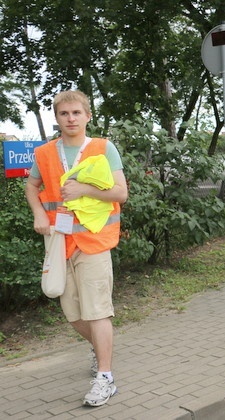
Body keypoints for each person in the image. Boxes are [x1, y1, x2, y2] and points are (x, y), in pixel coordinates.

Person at [25, 90, 128, 406]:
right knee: (72, 312)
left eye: (76, 113)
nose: (70, 119)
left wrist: (84, 189)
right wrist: (39, 214)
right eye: (64, 114)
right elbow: (32, 186)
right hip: (60, 242)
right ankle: (100, 348)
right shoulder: (44, 153)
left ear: (87, 116)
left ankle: (105, 378)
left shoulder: (102, 148)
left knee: (97, 309)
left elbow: (121, 192)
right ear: (56, 118)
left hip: (95, 241)